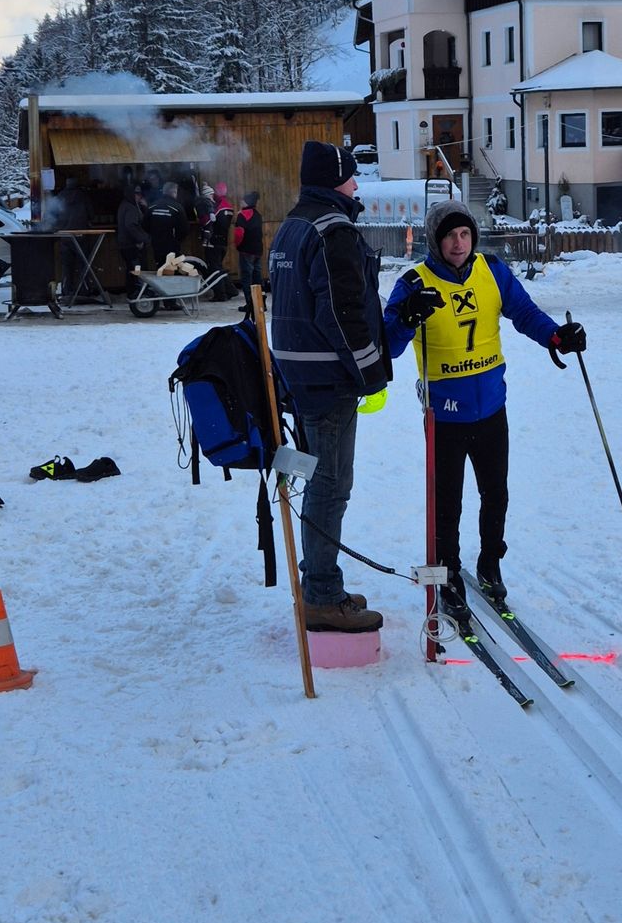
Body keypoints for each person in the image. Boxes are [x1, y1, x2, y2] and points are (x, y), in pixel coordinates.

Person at [384, 200, 586, 613]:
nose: (458, 243)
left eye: (464, 234)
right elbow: (387, 344)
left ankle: (491, 562)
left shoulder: (491, 270)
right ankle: (450, 572)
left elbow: (523, 312)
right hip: (444, 413)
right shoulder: (413, 283)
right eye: (449, 236)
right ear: (435, 240)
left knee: (496, 493)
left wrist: (555, 337)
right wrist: (406, 318)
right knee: (447, 502)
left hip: (492, 407)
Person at [269, 142, 390, 633]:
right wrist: (371, 372)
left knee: (320, 480)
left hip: (299, 374)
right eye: (351, 177)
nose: (357, 186)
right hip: (327, 378)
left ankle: (321, 583)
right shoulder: (332, 229)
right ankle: (321, 595)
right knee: (331, 486)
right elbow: (342, 312)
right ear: (333, 180)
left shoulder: (292, 224)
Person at [58, 180, 91, 304]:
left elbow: (53, 215)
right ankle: (84, 291)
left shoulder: (60, 196)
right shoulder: (83, 196)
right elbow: (91, 214)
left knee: (67, 266)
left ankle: (67, 290)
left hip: (65, 236)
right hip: (82, 235)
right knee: (83, 264)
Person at [116, 184, 150, 298]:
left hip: (125, 243)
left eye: (140, 194)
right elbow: (131, 225)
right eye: (137, 194)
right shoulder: (131, 208)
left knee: (132, 270)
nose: (139, 196)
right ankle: (136, 293)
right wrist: (141, 239)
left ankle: (133, 293)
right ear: (132, 194)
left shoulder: (126, 205)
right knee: (137, 270)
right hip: (131, 245)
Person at [234, 190, 263, 315]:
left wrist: (238, 245)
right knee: (257, 278)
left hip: (246, 250)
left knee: (247, 279)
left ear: (247, 202)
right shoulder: (258, 214)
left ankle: (250, 304)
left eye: (242, 200)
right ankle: (261, 304)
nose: (240, 202)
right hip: (258, 250)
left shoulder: (242, 215)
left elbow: (239, 233)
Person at [145, 181, 186, 267]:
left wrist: (153, 236)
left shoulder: (152, 206)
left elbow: (145, 225)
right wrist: (177, 240)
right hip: (172, 246)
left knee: (160, 268)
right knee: (172, 270)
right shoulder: (177, 207)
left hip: (156, 245)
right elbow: (184, 229)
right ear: (174, 192)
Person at [203, 182, 234, 270]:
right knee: (219, 266)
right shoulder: (229, 206)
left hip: (214, 242)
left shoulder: (219, 206)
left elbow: (208, 221)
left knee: (214, 268)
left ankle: (221, 283)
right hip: (224, 241)